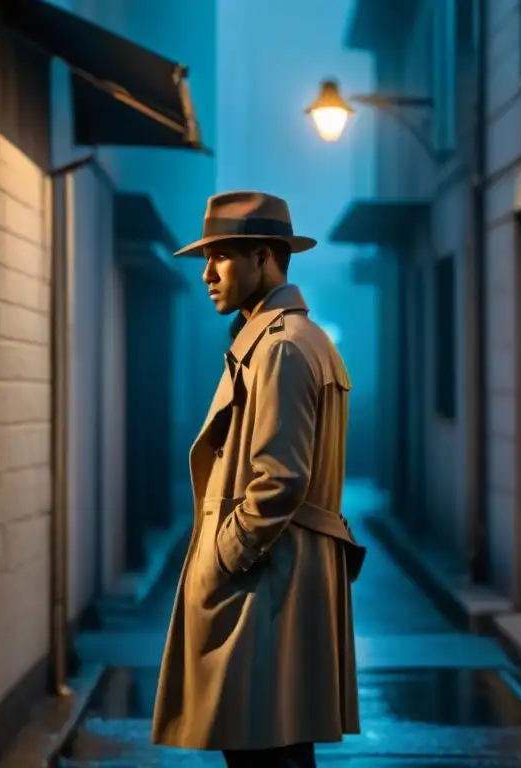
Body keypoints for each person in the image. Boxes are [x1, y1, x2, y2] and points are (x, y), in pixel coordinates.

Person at [150, 191, 366, 768]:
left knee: (264, 750)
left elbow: (279, 481)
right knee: (272, 747)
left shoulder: (282, 349)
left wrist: (223, 557)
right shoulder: (282, 342)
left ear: (265, 258)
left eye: (221, 257)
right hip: (276, 575)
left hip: (268, 581)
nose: (207, 275)